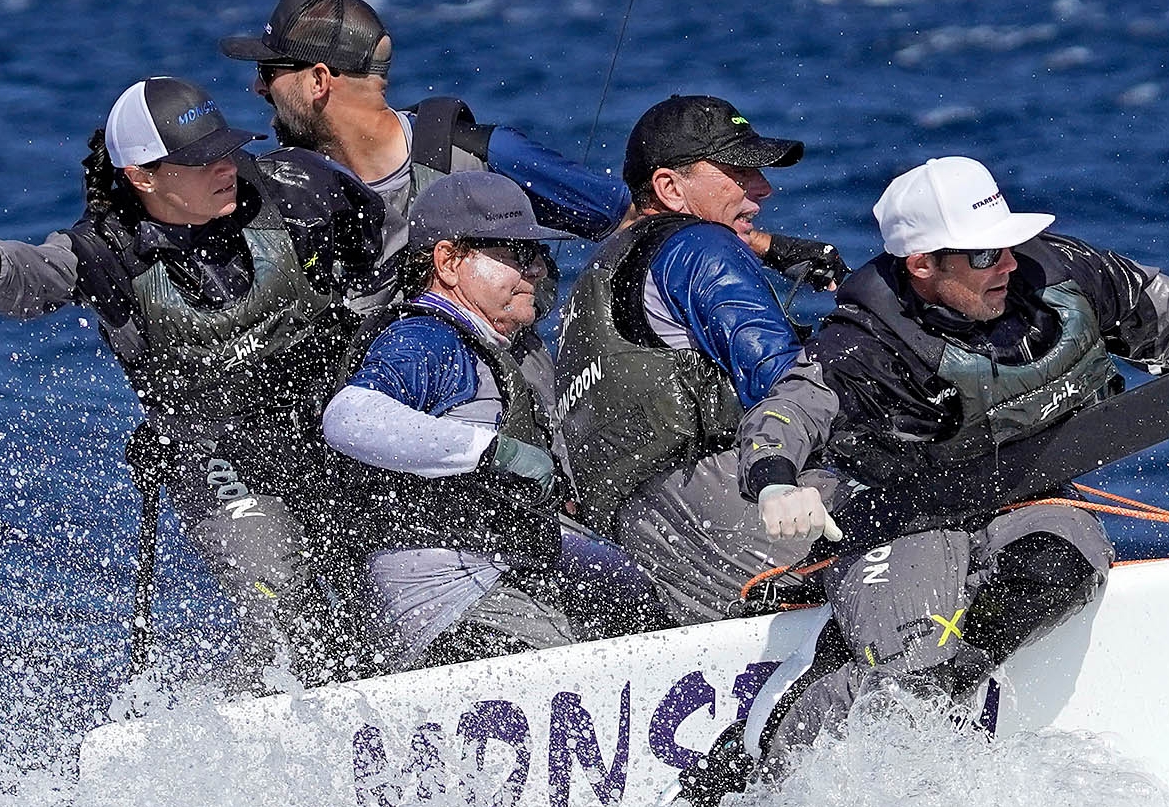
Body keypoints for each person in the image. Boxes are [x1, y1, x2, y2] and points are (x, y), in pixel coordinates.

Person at [669, 156, 1169, 807]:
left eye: (1007, 244)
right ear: (921, 265)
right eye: (982, 255)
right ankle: (760, 747)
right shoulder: (865, 346)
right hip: (899, 520)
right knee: (909, 679)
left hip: (1019, 497)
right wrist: (774, 481)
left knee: (1064, 567)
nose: (1006, 263)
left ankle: (953, 670)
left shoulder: (1063, 277)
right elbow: (786, 412)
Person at [0, 77, 388, 687]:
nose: (225, 167)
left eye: (226, 149)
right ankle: (276, 708)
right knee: (277, 593)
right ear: (143, 176)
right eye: (200, 161)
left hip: (331, 426)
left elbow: (376, 237)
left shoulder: (296, 189)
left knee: (380, 573)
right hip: (215, 457)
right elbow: (32, 273)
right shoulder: (104, 253)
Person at [322, 171, 669, 669]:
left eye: (539, 256)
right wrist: (493, 453)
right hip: (452, 608)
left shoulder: (506, 348)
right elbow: (350, 417)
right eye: (516, 254)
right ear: (448, 262)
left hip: (507, 570)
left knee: (649, 587)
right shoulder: (425, 340)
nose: (537, 271)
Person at [553, 94, 852, 626]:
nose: (762, 189)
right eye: (740, 171)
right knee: (921, 517)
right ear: (670, 188)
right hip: (727, 493)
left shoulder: (602, 270)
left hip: (643, 524)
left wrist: (767, 246)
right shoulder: (703, 246)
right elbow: (783, 383)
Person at [219, 0, 633, 279]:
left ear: (319, 80)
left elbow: (629, 217)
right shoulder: (287, 190)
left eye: (269, 70)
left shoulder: (480, 155)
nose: (258, 86)